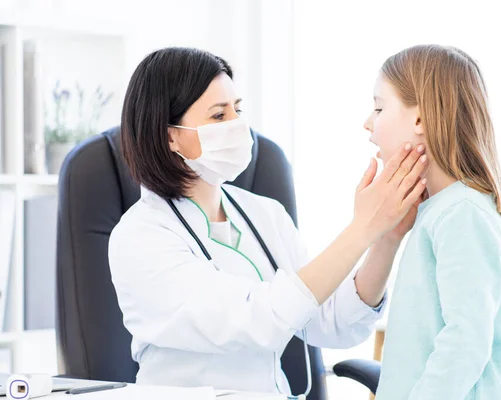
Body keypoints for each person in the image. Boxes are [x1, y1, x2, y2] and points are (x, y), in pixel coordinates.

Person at [107, 47, 428, 395]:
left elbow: (330, 322)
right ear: (170, 135)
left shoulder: (264, 214)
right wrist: (362, 228)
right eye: (218, 116)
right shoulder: (140, 237)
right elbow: (257, 320)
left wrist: (386, 238)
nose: (237, 124)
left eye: (238, 109)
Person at [365, 44, 501, 400]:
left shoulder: (462, 214)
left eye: (379, 108)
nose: (368, 123)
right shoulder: (441, 210)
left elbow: (465, 343)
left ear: (420, 119)